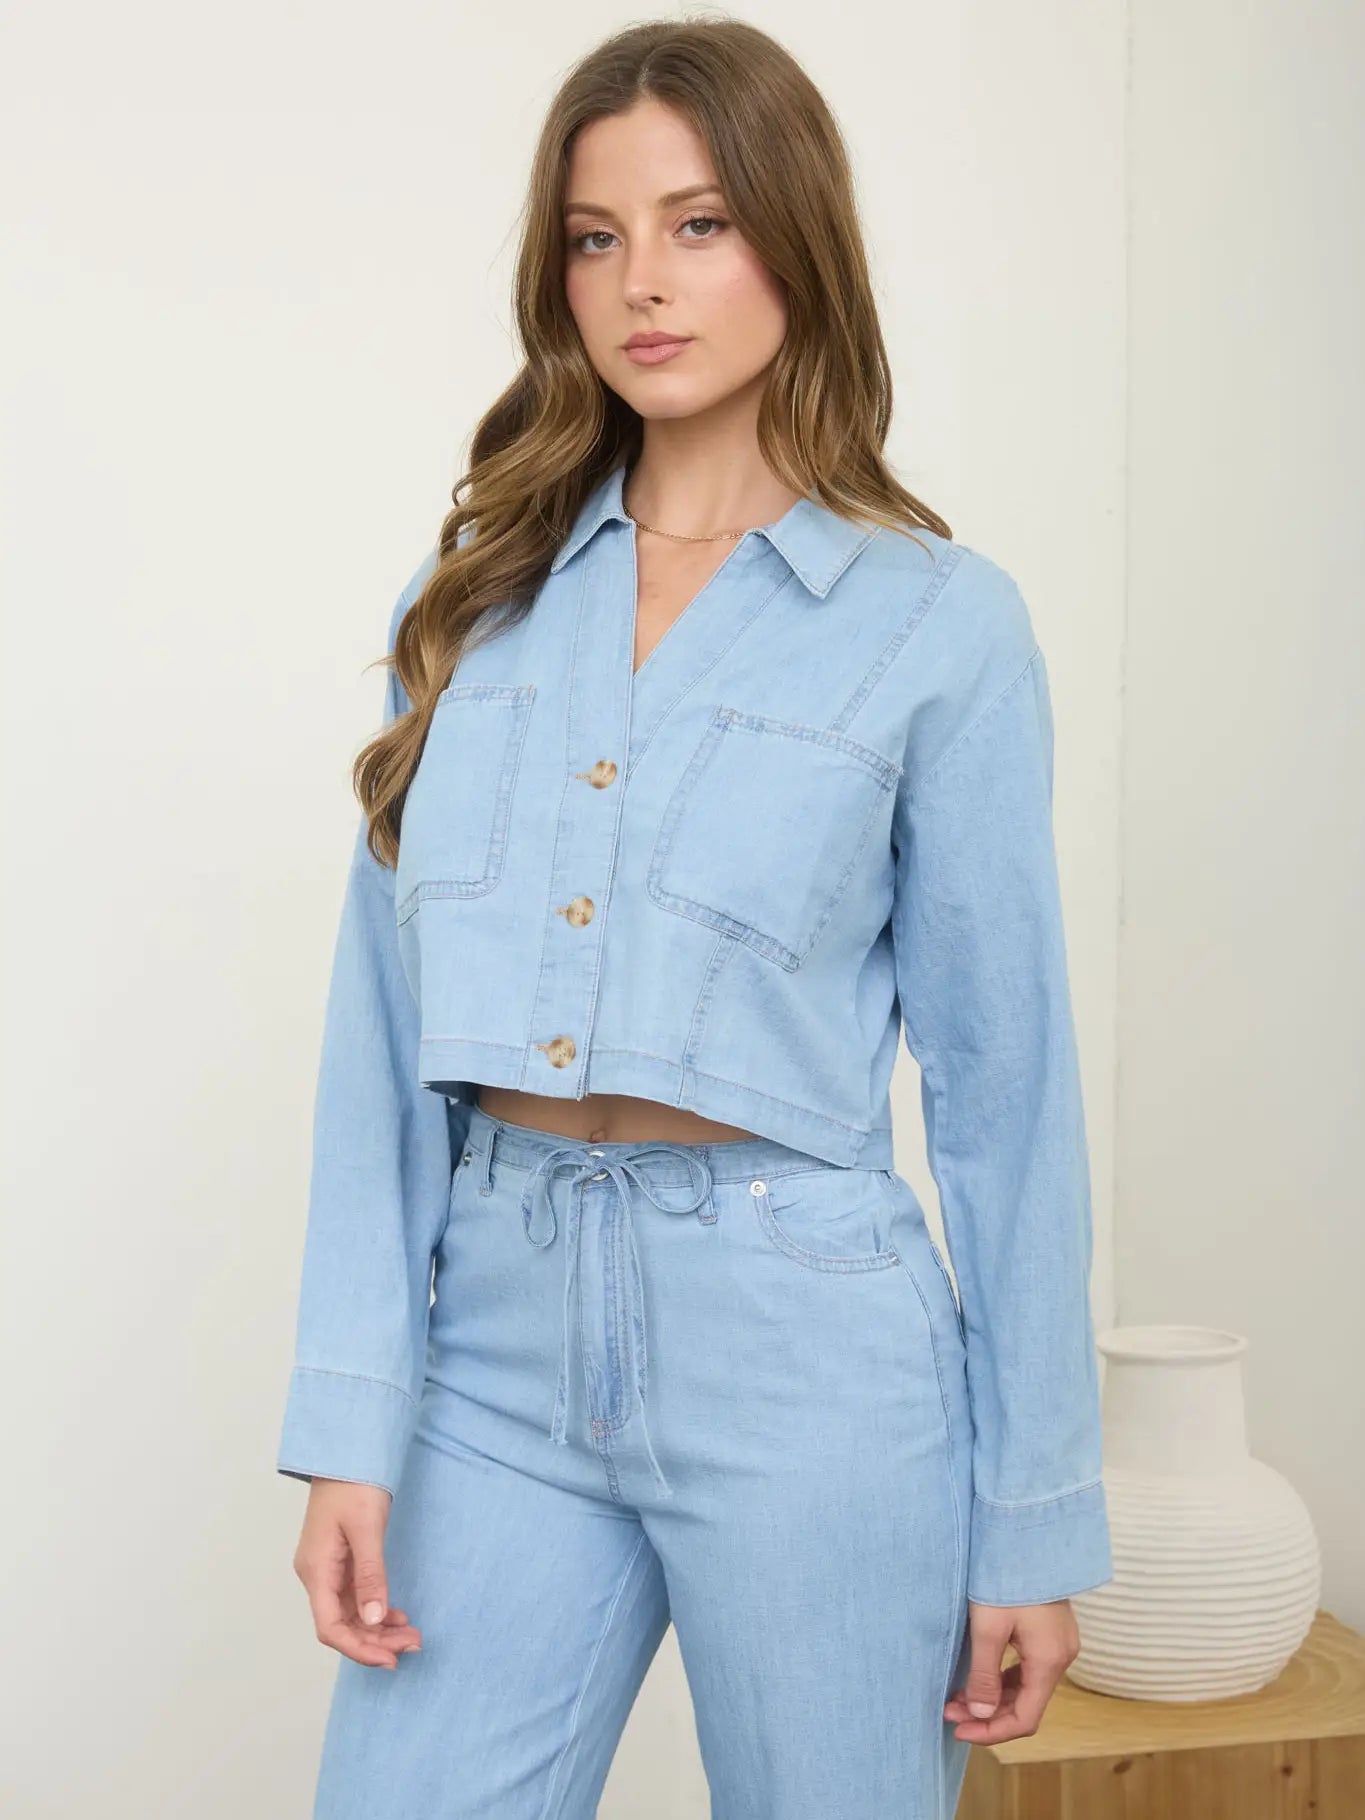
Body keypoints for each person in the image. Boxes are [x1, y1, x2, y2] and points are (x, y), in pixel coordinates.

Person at [276, 16, 1113, 1817]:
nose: (640, 283)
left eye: (698, 223)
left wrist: (1031, 1514)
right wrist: (350, 1418)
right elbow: (378, 1043)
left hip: (810, 1359)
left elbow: (1003, 1095)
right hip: (490, 1355)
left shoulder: (938, 627)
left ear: (795, 240)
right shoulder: (472, 597)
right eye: (596, 236)